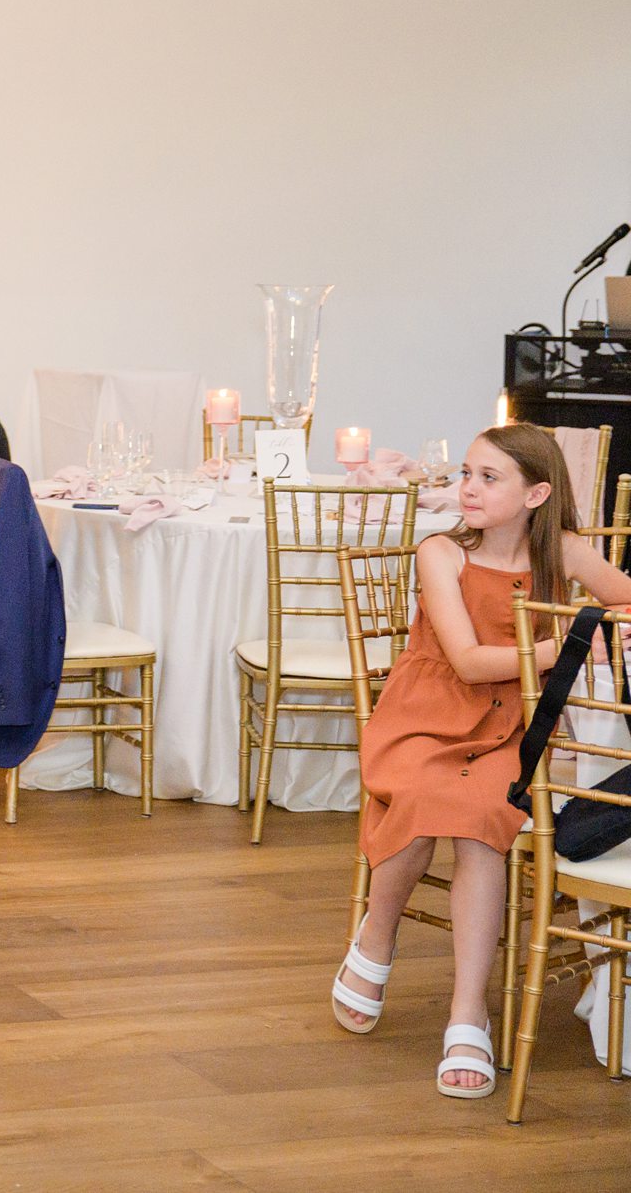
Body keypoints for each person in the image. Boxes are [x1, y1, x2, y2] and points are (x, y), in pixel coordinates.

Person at [334, 425, 631, 1097]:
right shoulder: (441, 552)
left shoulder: (563, 550)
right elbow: (467, 662)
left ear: (537, 492)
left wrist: (613, 623)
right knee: (422, 797)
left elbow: (623, 595)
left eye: (489, 477)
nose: (468, 486)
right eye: (467, 472)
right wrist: (566, 645)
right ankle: (376, 936)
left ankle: (467, 1010)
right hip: (426, 715)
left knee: (479, 819)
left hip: (510, 728)